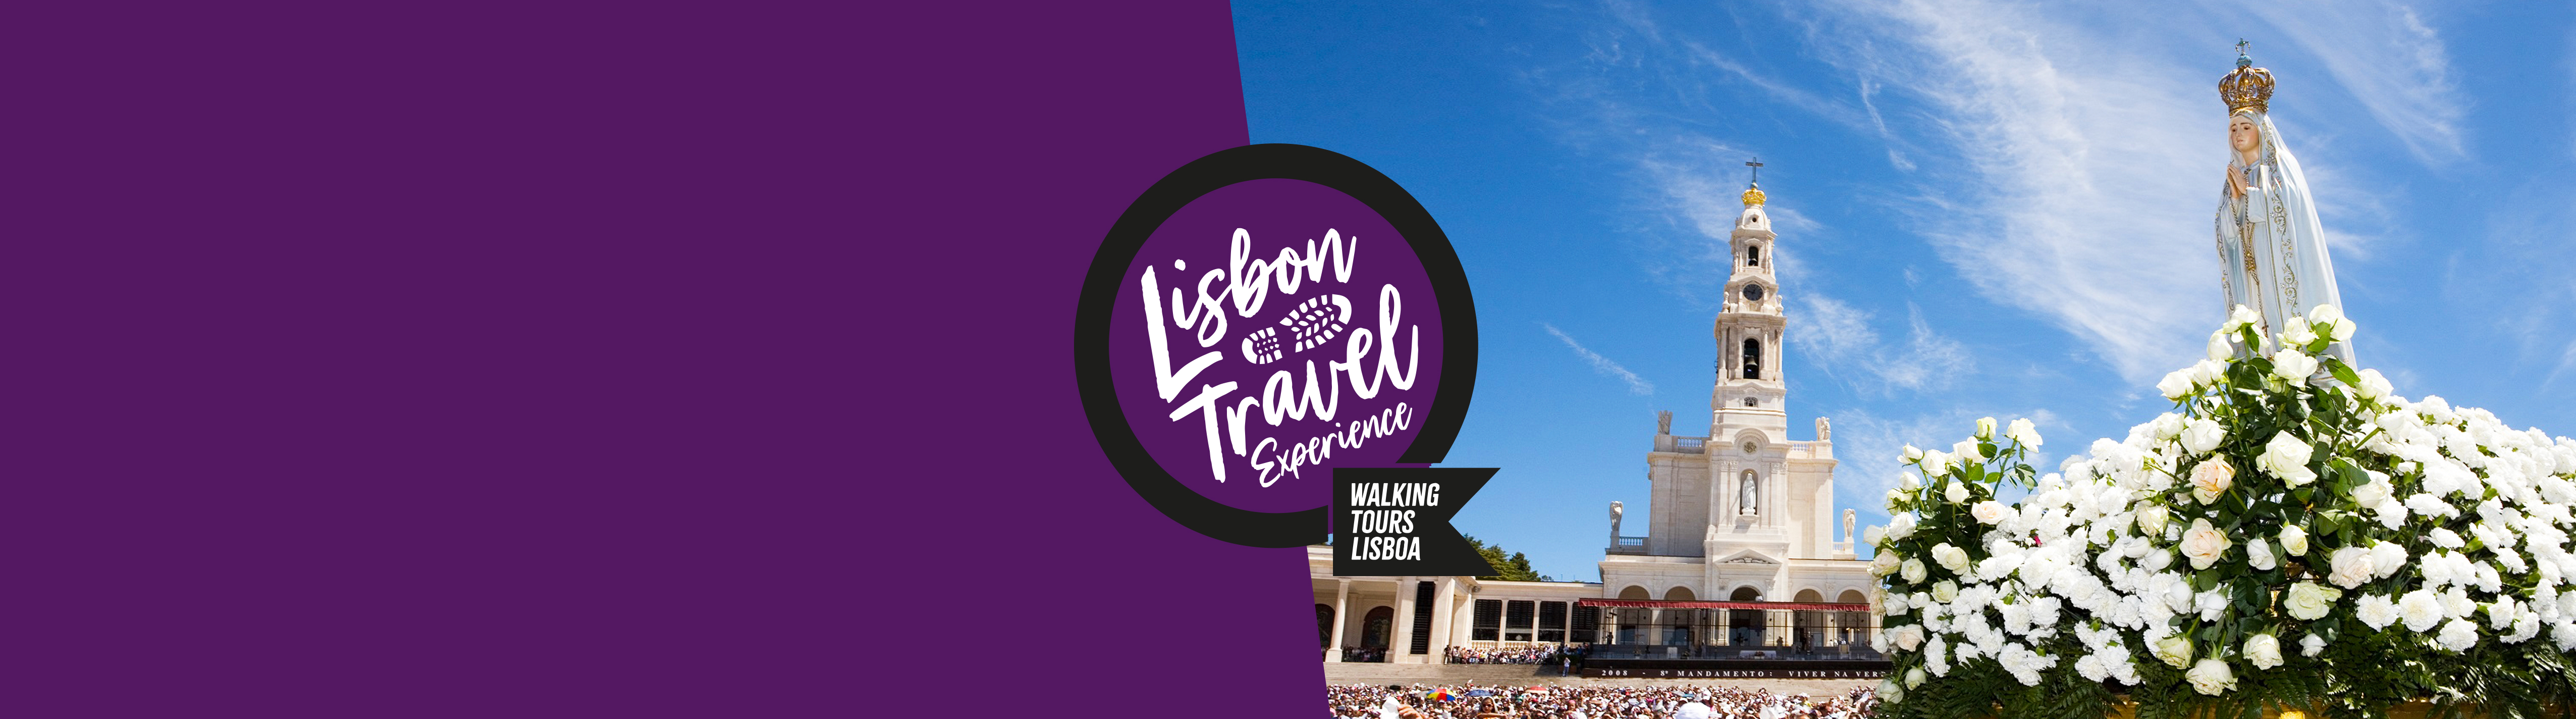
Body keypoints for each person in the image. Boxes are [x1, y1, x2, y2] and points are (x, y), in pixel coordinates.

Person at [2214, 42, 2355, 366]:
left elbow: (2289, 208)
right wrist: (2235, 202)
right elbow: (2227, 232)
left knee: (2289, 335)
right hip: (2253, 276)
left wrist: (2251, 195)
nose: (2238, 134)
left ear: (2261, 131)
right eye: (2233, 128)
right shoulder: (2234, 176)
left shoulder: (2281, 166)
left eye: (2246, 127)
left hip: (2280, 267)